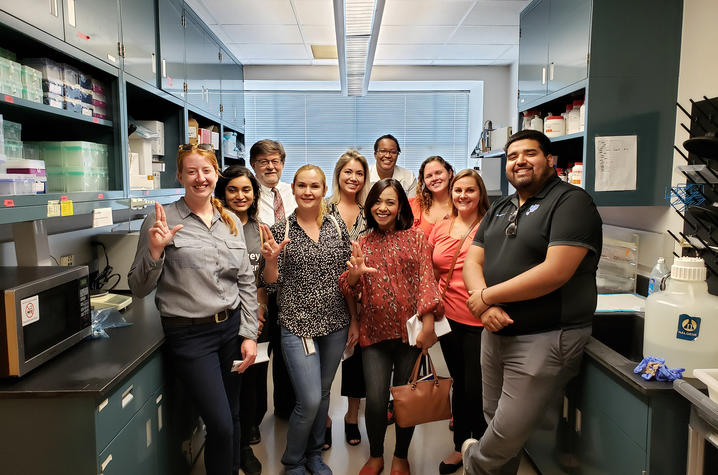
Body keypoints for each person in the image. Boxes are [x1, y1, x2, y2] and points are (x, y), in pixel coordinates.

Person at [461, 130, 602, 475]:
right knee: (495, 420)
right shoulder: (501, 207)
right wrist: (487, 306)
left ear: (550, 160)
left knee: (507, 432)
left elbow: (555, 272)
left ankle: (472, 462)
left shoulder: (571, 202)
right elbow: (472, 261)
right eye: (512, 156)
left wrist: (486, 297)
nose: (520, 161)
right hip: (495, 330)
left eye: (530, 154)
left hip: (547, 334)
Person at [128, 144, 258, 475]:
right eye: (191, 171)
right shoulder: (161, 219)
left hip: (230, 330)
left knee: (233, 413)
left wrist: (248, 333)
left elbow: (244, 280)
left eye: (206, 171)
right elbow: (138, 287)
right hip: (190, 336)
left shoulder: (229, 219)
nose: (200, 178)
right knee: (222, 424)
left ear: (216, 173)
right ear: (180, 175)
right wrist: (155, 252)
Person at [339, 178, 445, 475]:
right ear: (369, 205)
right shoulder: (362, 243)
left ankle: (400, 455)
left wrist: (427, 326)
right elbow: (349, 289)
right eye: (377, 201)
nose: (382, 207)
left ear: (400, 207)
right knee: (375, 400)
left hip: (409, 335)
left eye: (390, 202)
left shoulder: (415, 238)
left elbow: (427, 282)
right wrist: (355, 275)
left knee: (405, 398)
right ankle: (375, 455)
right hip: (374, 333)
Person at [260, 165, 357, 475]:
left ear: (323, 188)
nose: (308, 191)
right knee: (310, 399)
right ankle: (293, 461)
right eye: (301, 185)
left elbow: (346, 277)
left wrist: (354, 279)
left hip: (335, 323)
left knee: (324, 393)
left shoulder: (336, 226)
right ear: (294, 189)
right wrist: (271, 262)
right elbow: (270, 284)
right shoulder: (280, 231)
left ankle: (314, 456)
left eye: (314, 186)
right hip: (297, 326)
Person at [427, 169, 490, 474]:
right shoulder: (441, 226)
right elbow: (429, 270)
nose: (463, 196)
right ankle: (458, 446)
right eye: (458, 190)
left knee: (476, 388)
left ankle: (478, 448)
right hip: (448, 319)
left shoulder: (491, 225)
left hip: (480, 319)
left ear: (481, 194)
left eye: (470, 190)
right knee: (460, 385)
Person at [215, 165, 267, 475]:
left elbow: (262, 278)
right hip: (227, 321)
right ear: (222, 194)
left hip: (259, 319)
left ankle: (247, 435)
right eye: (232, 189)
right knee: (232, 387)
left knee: (255, 388)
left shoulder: (260, 229)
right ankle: (236, 447)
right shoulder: (217, 227)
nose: (240, 195)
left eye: (246, 189)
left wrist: (259, 312)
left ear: (254, 194)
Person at [249, 139, 297, 420]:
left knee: (287, 352)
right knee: (260, 350)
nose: (270, 166)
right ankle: (255, 417)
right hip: (260, 287)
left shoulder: (293, 192)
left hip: (292, 285)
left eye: (275, 160)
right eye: (264, 161)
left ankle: (285, 408)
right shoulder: (246, 194)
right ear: (254, 165)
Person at [325, 149, 370, 448]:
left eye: (359, 173)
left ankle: (352, 417)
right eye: (348, 172)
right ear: (338, 174)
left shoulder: (371, 210)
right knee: (325, 364)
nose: (353, 178)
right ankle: (325, 419)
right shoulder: (322, 208)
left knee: (358, 362)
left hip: (363, 296)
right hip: (327, 294)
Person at [410, 155, 455, 236]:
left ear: (450, 173)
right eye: (429, 176)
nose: (434, 178)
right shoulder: (413, 205)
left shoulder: (461, 205)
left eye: (438, 173)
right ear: (424, 181)